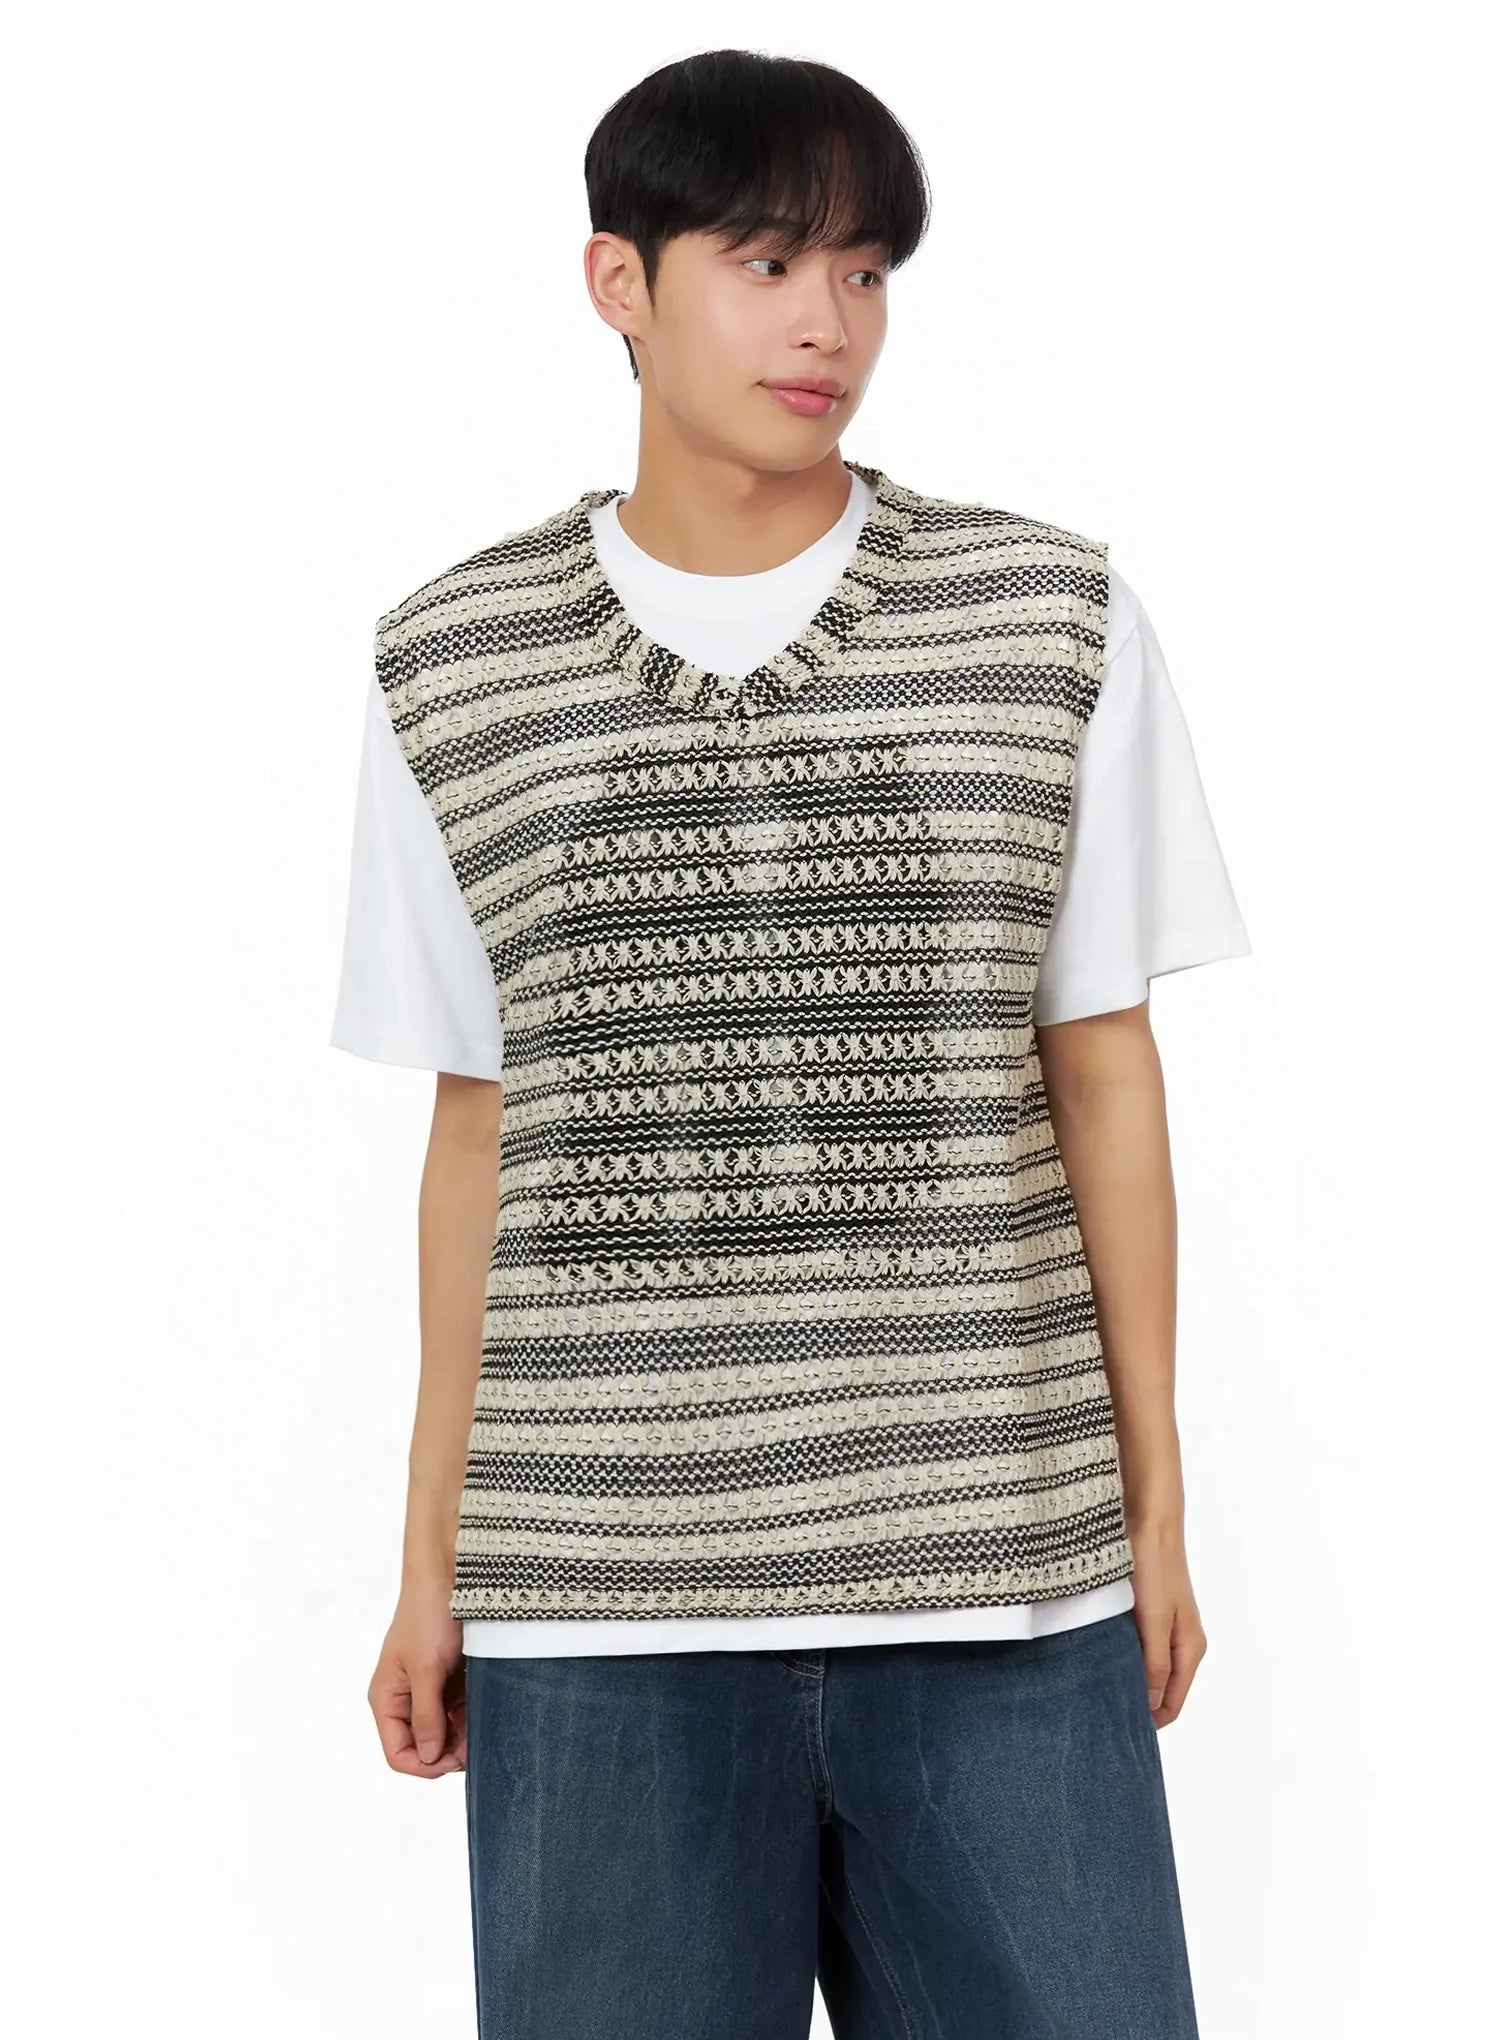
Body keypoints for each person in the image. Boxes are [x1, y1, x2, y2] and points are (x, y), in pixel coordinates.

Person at [329, 46, 1250, 2040]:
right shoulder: (454, 664)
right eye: (765, 263)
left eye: (864, 271)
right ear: (620, 281)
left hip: (1002, 1583)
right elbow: (480, 1127)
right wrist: (430, 1560)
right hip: (596, 1608)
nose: (827, 323)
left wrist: (1158, 1507)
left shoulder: (1046, 622)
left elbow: (1105, 1073)